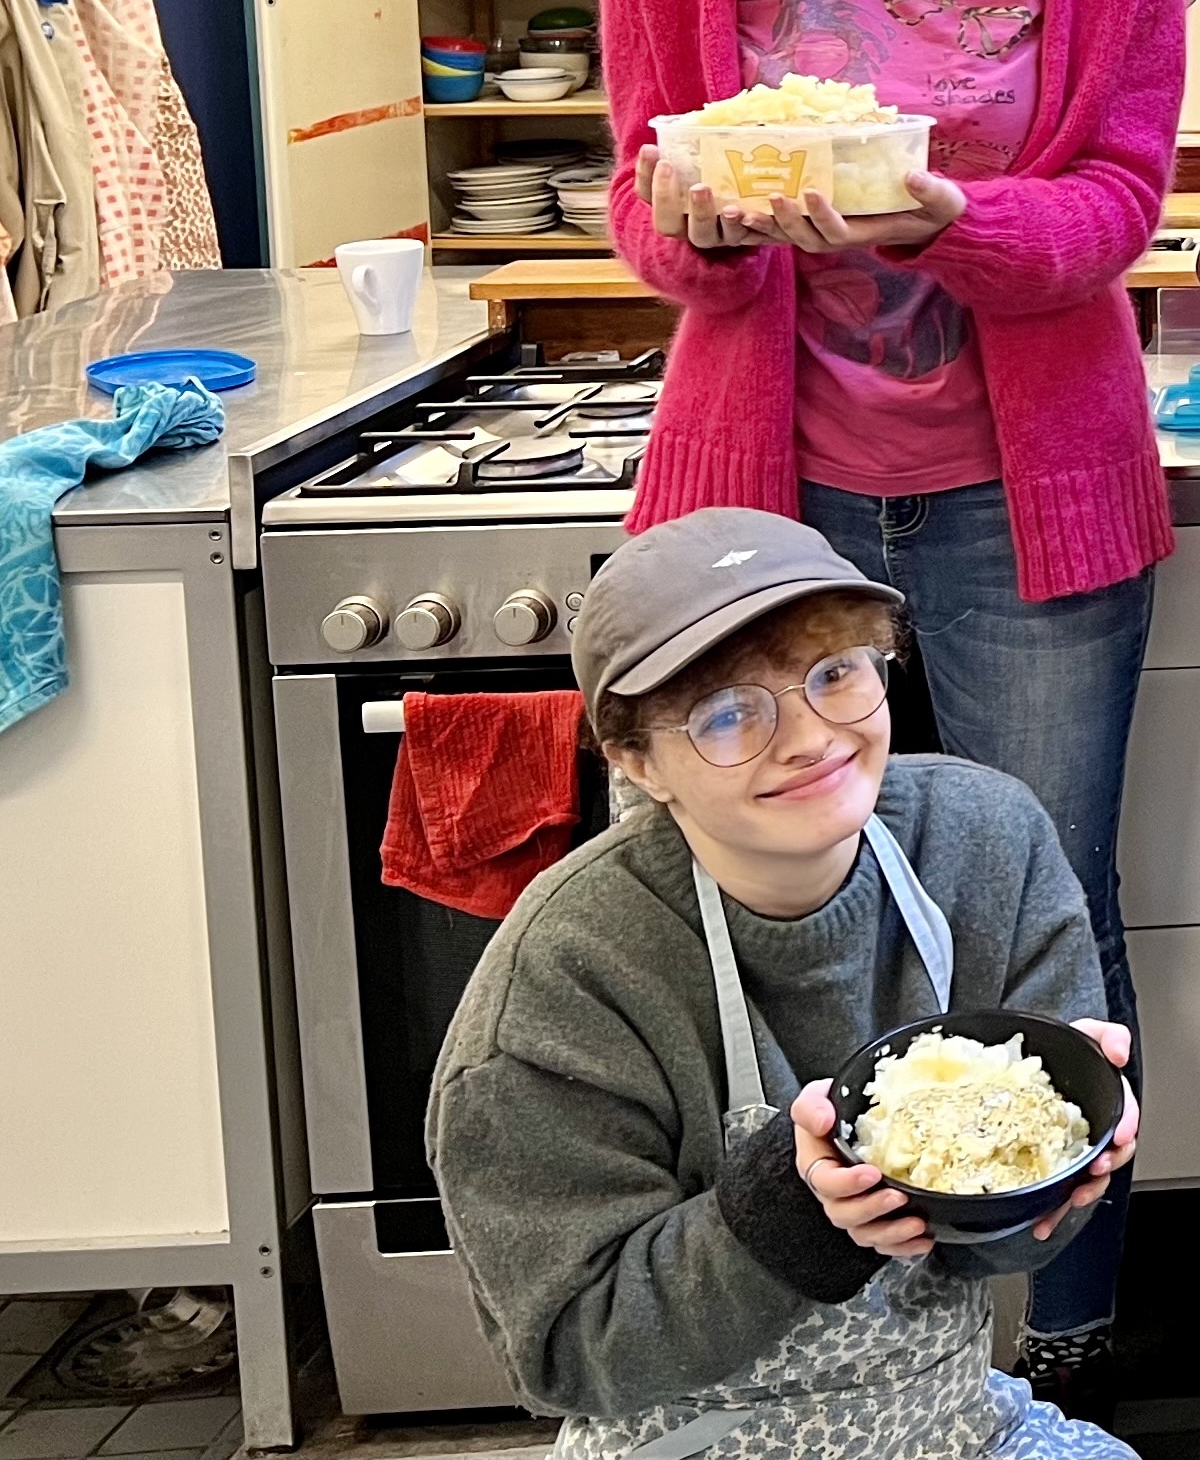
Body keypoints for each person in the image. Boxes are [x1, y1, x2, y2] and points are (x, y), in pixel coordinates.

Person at [600, 0, 1186, 1391]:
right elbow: (642, 195)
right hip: (769, 510)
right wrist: (692, 211)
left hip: (1030, 496)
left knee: (1042, 904)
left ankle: (1057, 1332)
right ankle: (803, 1338)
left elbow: (1116, 196)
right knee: (775, 910)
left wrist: (948, 219)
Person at [426, 507, 1140, 1457]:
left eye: (835, 672)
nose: (810, 737)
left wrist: (1048, 1174)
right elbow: (565, 1352)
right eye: (728, 711)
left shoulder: (987, 844)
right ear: (640, 761)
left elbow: (1014, 1251)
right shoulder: (569, 977)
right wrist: (795, 1215)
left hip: (950, 1424)